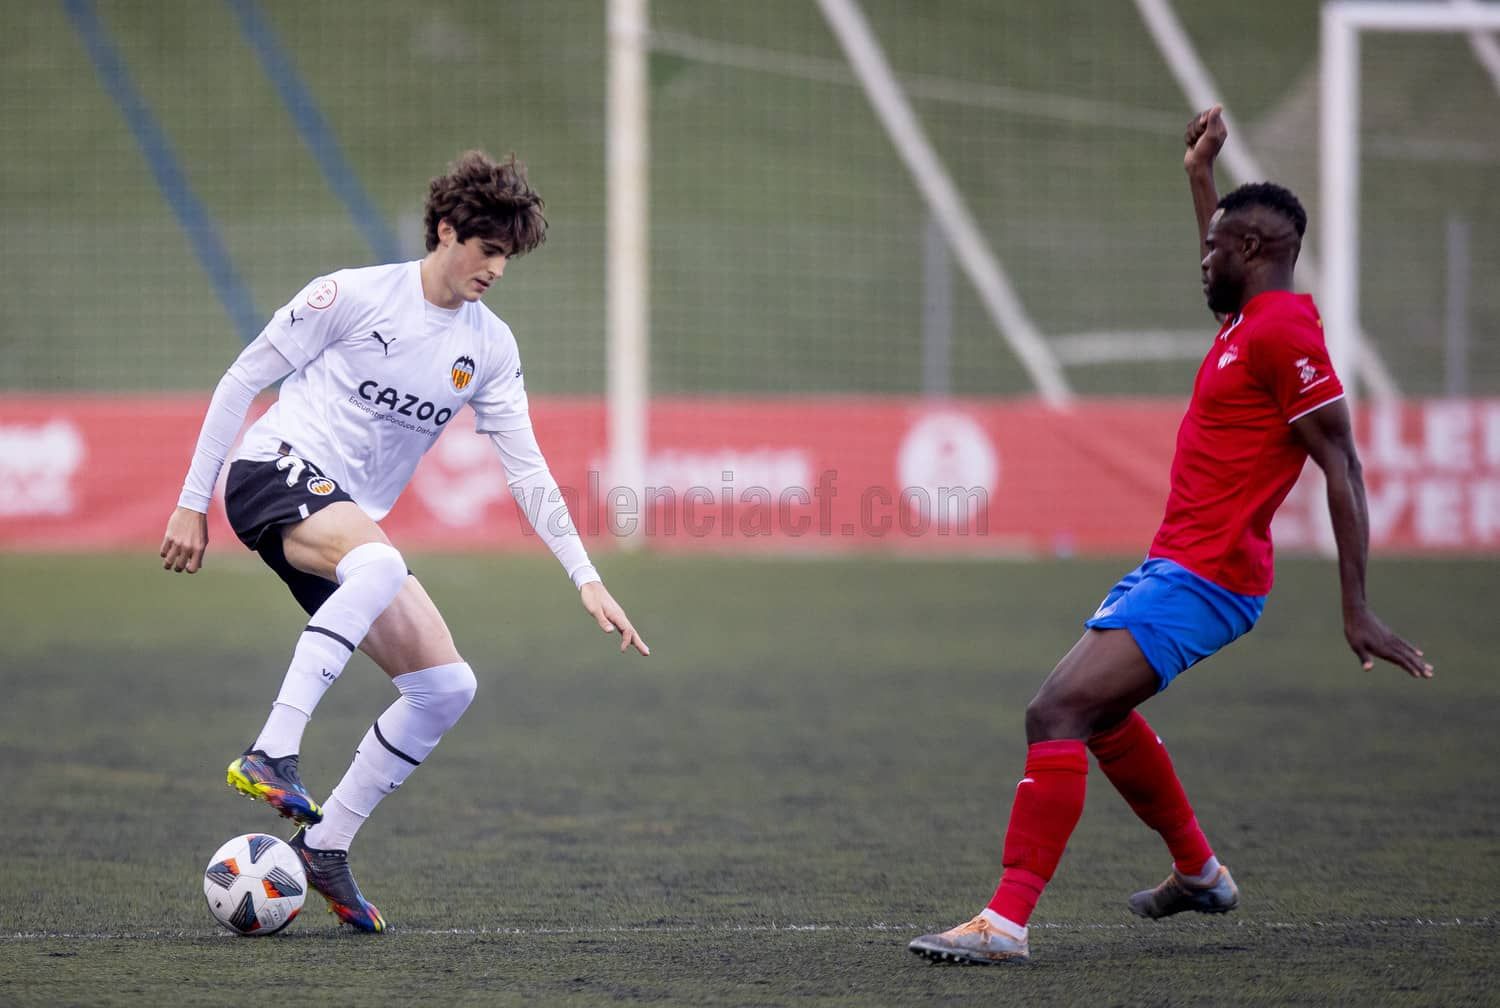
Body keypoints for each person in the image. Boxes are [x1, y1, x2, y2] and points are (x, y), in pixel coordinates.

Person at [908, 106, 1432, 966]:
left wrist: (1358, 608)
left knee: (1056, 712)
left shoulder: (1284, 332)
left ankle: (1004, 922)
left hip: (1209, 577)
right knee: (1101, 714)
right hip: (1177, 566)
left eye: (1215, 249)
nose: (1203, 260)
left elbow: (1342, 461)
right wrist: (1199, 178)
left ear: (1253, 251)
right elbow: (1224, 264)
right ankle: (1199, 873)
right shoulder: (1245, 324)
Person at [160, 151, 649, 933]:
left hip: (340, 516)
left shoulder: (489, 347)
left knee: (446, 687)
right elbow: (241, 380)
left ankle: (326, 845)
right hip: (271, 469)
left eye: (508, 256)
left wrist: (584, 576)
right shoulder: (352, 295)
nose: (497, 269)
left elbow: (527, 469)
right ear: (446, 231)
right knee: (380, 562)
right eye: (487, 249)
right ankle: (271, 752)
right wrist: (192, 504)